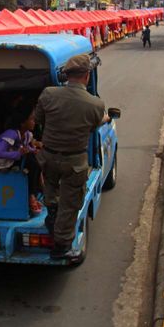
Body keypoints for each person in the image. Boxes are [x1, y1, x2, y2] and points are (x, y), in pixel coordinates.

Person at [35, 54, 108, 259]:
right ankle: (62, 247)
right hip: (74, 161)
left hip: (48, 156)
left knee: (51, 189)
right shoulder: (95, 104)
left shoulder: (48, 94)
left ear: (66, 75)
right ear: (86, 76)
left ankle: (51, 214)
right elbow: (93, 127)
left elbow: (39, 119)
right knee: (70, 204)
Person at [0, 110, 43, 216]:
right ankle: (31, 196)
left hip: (14, 159)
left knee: (36, 159)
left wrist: (34, 150)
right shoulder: (11, 134)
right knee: (32, 162)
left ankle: (37, 190)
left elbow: (26, 147)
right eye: (31, 120)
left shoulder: (27, 135)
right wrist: (17, 154)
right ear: (23, 123)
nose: (34, 122)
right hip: (3, 162)